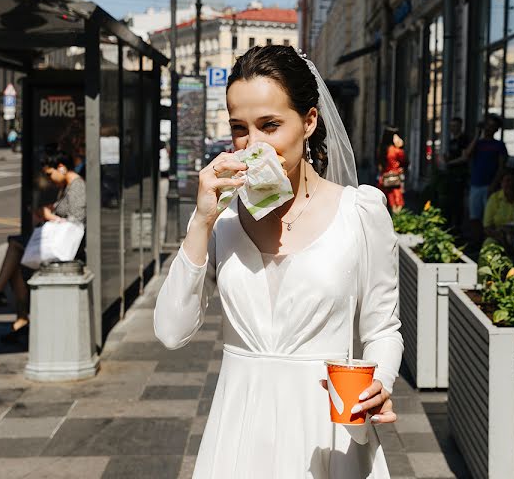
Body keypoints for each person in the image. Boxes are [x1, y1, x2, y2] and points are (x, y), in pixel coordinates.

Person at [154, 45, 402, 478]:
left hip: (328, 432)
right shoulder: (224, 218)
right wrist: (201, 220)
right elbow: (171, 332)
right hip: (238, 433)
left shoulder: (360, 212)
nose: (253, 145)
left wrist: (379, 382)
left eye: (270, 125)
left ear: (309, 121)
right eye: (239, 128)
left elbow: (383, 327)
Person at [0, 150, 86, 343]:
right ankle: (20, 320)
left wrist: (50, 217)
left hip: (70, 248)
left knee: (15, 244)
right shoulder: (67, 186)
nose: (49, 179)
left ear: (62, 168)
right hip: (60, 243)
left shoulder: (77, 186)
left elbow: (76, 221)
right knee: (16, 266)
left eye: (50, 174)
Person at [461, 113, 508, 246]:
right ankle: (477, 242)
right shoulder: (478, 144)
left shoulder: (499, 145)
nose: (489, 129)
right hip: (476, 184)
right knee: (474, 216)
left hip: (490, 185)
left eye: (493, 126)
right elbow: (467, 155)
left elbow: (501, 166)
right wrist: (477, 135)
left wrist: (494, 184)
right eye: (487, 125)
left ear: (497, 129)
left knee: (489, 217)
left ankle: (488, 242)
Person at [442, 117, 471, 227]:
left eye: (455, 126)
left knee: (457, 202)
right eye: (451, 126)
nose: (453, 129)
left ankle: (457, 227)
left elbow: (465, 157)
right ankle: (449, 225)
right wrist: (447, 159)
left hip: (459, 174)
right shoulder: (452, 141)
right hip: (451, 174)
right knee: (449, 201)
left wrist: (450, 162)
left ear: (460, 126)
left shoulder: (463, 139)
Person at [377, 125, 407, 211]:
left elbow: (379, 163)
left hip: (384, 178)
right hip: (395, 178)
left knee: (385, 201)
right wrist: (401, 146)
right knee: (396, 202)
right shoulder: (396, 150)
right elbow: (405, 161)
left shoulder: (382, 149)